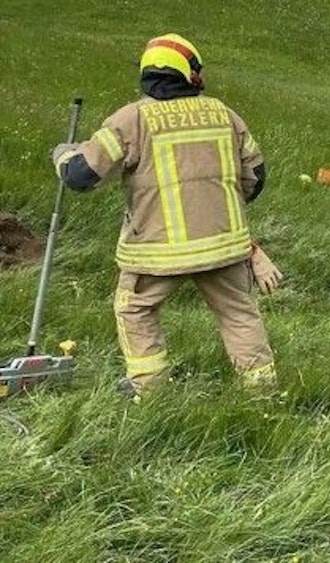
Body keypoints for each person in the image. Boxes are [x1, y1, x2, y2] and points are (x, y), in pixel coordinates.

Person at [50, 33, 280, 399]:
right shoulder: (225, 115)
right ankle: (262, 392)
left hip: (156, 252)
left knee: (135, 310)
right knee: (239, 313)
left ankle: (151, 389)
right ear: (191, 73)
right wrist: (220, 210)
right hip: (224, 245)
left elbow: (81, 177)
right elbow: (255, 177)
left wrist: (63, 153)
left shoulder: (130, 120)